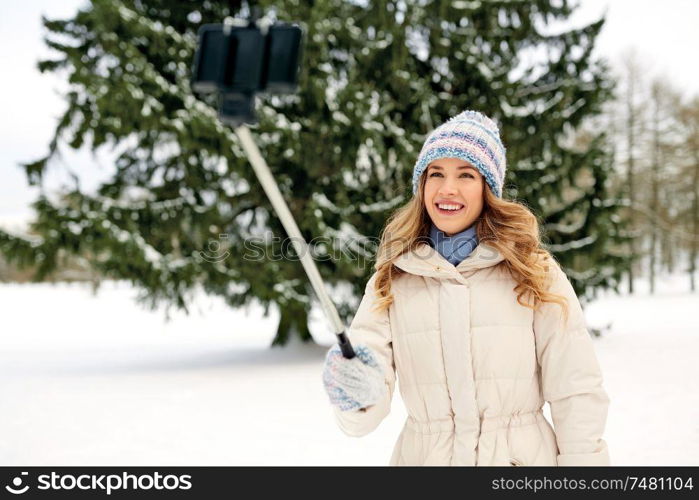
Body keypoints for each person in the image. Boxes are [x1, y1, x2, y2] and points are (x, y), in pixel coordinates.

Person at [321, 110, 611, 466]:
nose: (447, 188)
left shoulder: (533, 270)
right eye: (436, 174)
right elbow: (364, 413)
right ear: (422, 186)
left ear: (488, 188)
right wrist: (355, 389)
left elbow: (576, 388)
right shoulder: (393, 275)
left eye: (466, 174)